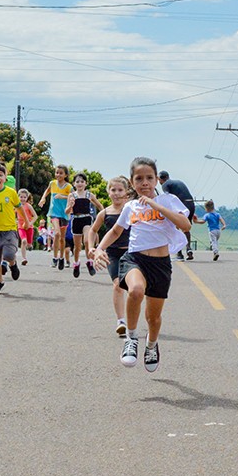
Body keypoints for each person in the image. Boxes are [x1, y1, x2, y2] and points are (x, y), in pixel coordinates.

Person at [93, 158, 191, 372]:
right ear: (132, 182)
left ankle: (152, 345)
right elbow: (116, 231)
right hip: (135, 258)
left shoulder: (169, 200)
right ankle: (131, 338)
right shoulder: (130, 206)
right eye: (139, 178)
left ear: (156, 180)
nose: (144, 182)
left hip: (160, 264)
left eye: (149, 178)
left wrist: (155, 204)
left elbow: (185, 225)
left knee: (153, 318)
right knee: (135, 290)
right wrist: (99, 248)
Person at [87, 176, 133, 336]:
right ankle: (121, 321)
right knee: (117, 285)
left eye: (120, 190)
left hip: (132, 253)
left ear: (126, 192)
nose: (117, 193)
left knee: (134, 289)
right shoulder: (104, 213)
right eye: (113, 190)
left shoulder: (132, 210)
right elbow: (92, 231)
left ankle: (134, 318)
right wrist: (91, 248)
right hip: (112, 254)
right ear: (108, 192)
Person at [0, 162, 32, 295]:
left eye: (1, 175)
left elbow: (20, 208)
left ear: (5, 178)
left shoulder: (11, 192)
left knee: (8, 254)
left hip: (9, 230)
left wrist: (26, 221)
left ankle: (13, 264)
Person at [67, 173, 105, 277]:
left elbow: (99, 205)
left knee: (87, 241)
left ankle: (89, 262)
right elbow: (66, 211)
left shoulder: (89, 195)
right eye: (77, 181)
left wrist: (104, 215)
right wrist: (70, 205)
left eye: (82, 181)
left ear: (86, 183)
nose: (80, 183)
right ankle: (76, 263)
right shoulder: (71, 196)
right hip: (76, 220)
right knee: (77, 247)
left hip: (87, 219)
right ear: (74, 184)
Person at [158, 170, 197, 260]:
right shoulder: (178, 182)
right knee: (186, 228)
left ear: (160, 179)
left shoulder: (165, 185)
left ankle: (179, 253)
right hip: (191, 204)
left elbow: (167, 198)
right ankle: (188, 249)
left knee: (176, 227)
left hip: (182, 205)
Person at [39, 164, 71, 270]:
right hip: (54, 213)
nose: (58, 175)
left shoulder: (68, 187)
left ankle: (61, 258)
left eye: (61, 173)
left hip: (64, 214)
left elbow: (73, 197)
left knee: (62, 238)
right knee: (56, 234)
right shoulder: (52, 183)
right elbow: (47, 191)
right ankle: (54, 257)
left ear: (66, 175)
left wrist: (63, 196)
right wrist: (43, 199)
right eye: (57, 172)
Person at [16, 189, 38, 266]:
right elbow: (11, 214)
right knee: (23, 241)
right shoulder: (17, 206)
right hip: (21, 227)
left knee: (29, 244)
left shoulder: (28, 206)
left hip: (29, 227)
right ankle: (24, 258)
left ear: (27, 198)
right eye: (21, 197)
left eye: (24, 197)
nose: (22, 199)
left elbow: (35, 216)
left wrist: (30, 223)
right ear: (18, 197)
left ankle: (30, 245)